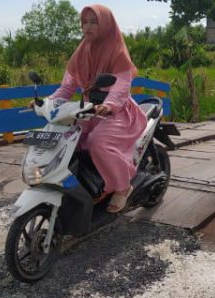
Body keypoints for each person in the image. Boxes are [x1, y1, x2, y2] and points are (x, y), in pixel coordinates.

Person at [35, 4, 147, 213]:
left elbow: (121, 85)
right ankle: (95, 184)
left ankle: (122, 187)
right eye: (84, 22)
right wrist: (46, 102)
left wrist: (110, 104)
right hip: (88, 111)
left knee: (97, 143)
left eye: (94, 22)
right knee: (70, 140)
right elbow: (67, 87)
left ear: (105, 24)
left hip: (116, 112)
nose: (88, 26)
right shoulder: (81, 52)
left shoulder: (116, 50)